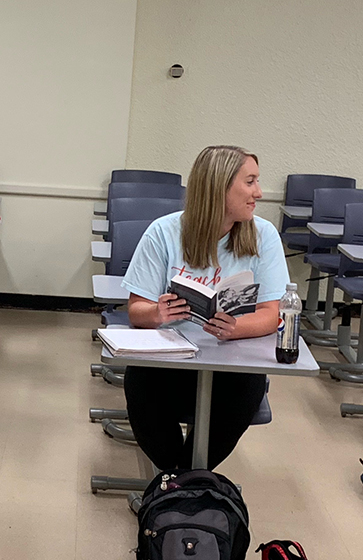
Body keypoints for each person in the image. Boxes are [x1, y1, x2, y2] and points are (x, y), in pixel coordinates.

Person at [120, 145, 290, 470]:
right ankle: (184, 481)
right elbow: (136, 309)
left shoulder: (263, 235)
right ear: (219, 187)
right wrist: (158, 313)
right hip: (169, 359)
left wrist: (236, 329)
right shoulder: (164, 232)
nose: (259, 192)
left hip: (232, 363)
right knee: (140, 386)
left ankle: (181, 482)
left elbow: (272, 314)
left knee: (246, 390)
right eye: (250, 182)